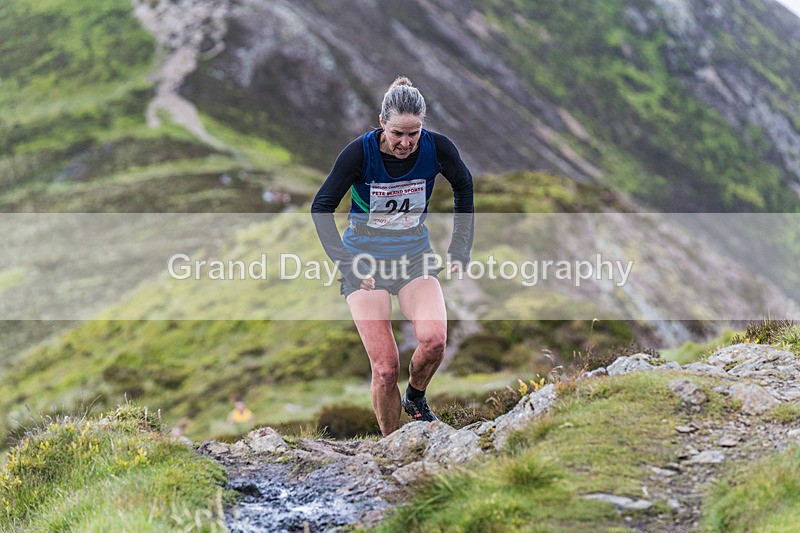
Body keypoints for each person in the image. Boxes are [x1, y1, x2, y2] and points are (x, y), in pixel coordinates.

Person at [311, 76, 474, 436]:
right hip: (364, 260)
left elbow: (464, 184)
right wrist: (347, 263)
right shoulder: (359, 154)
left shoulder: (437, 149)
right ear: (382, 123)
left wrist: (460, 247)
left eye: (413, 134)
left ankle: (415, 398)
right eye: (398, 133)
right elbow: (320, 207)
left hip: (413, 256)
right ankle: (392, 444)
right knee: (385, 368)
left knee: (434, 341)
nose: (406, 143)